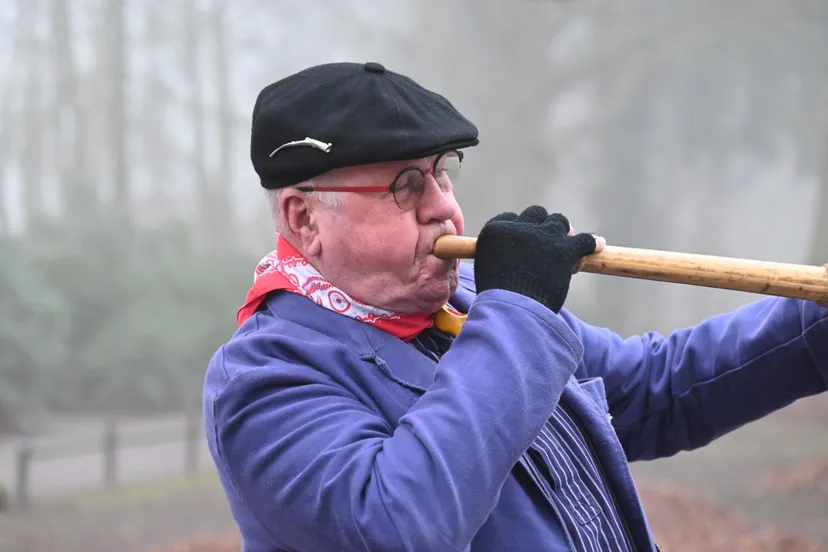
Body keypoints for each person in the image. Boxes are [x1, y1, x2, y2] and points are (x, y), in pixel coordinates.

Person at [203, 61, 828, 552]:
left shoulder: (476, 306)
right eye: (405, 186)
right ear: (303, 217)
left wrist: (818, 319)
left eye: (443, 173)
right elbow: (401, 526)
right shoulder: (264, 379)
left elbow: (652, 390)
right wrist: (519, 310)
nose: (444, 209)